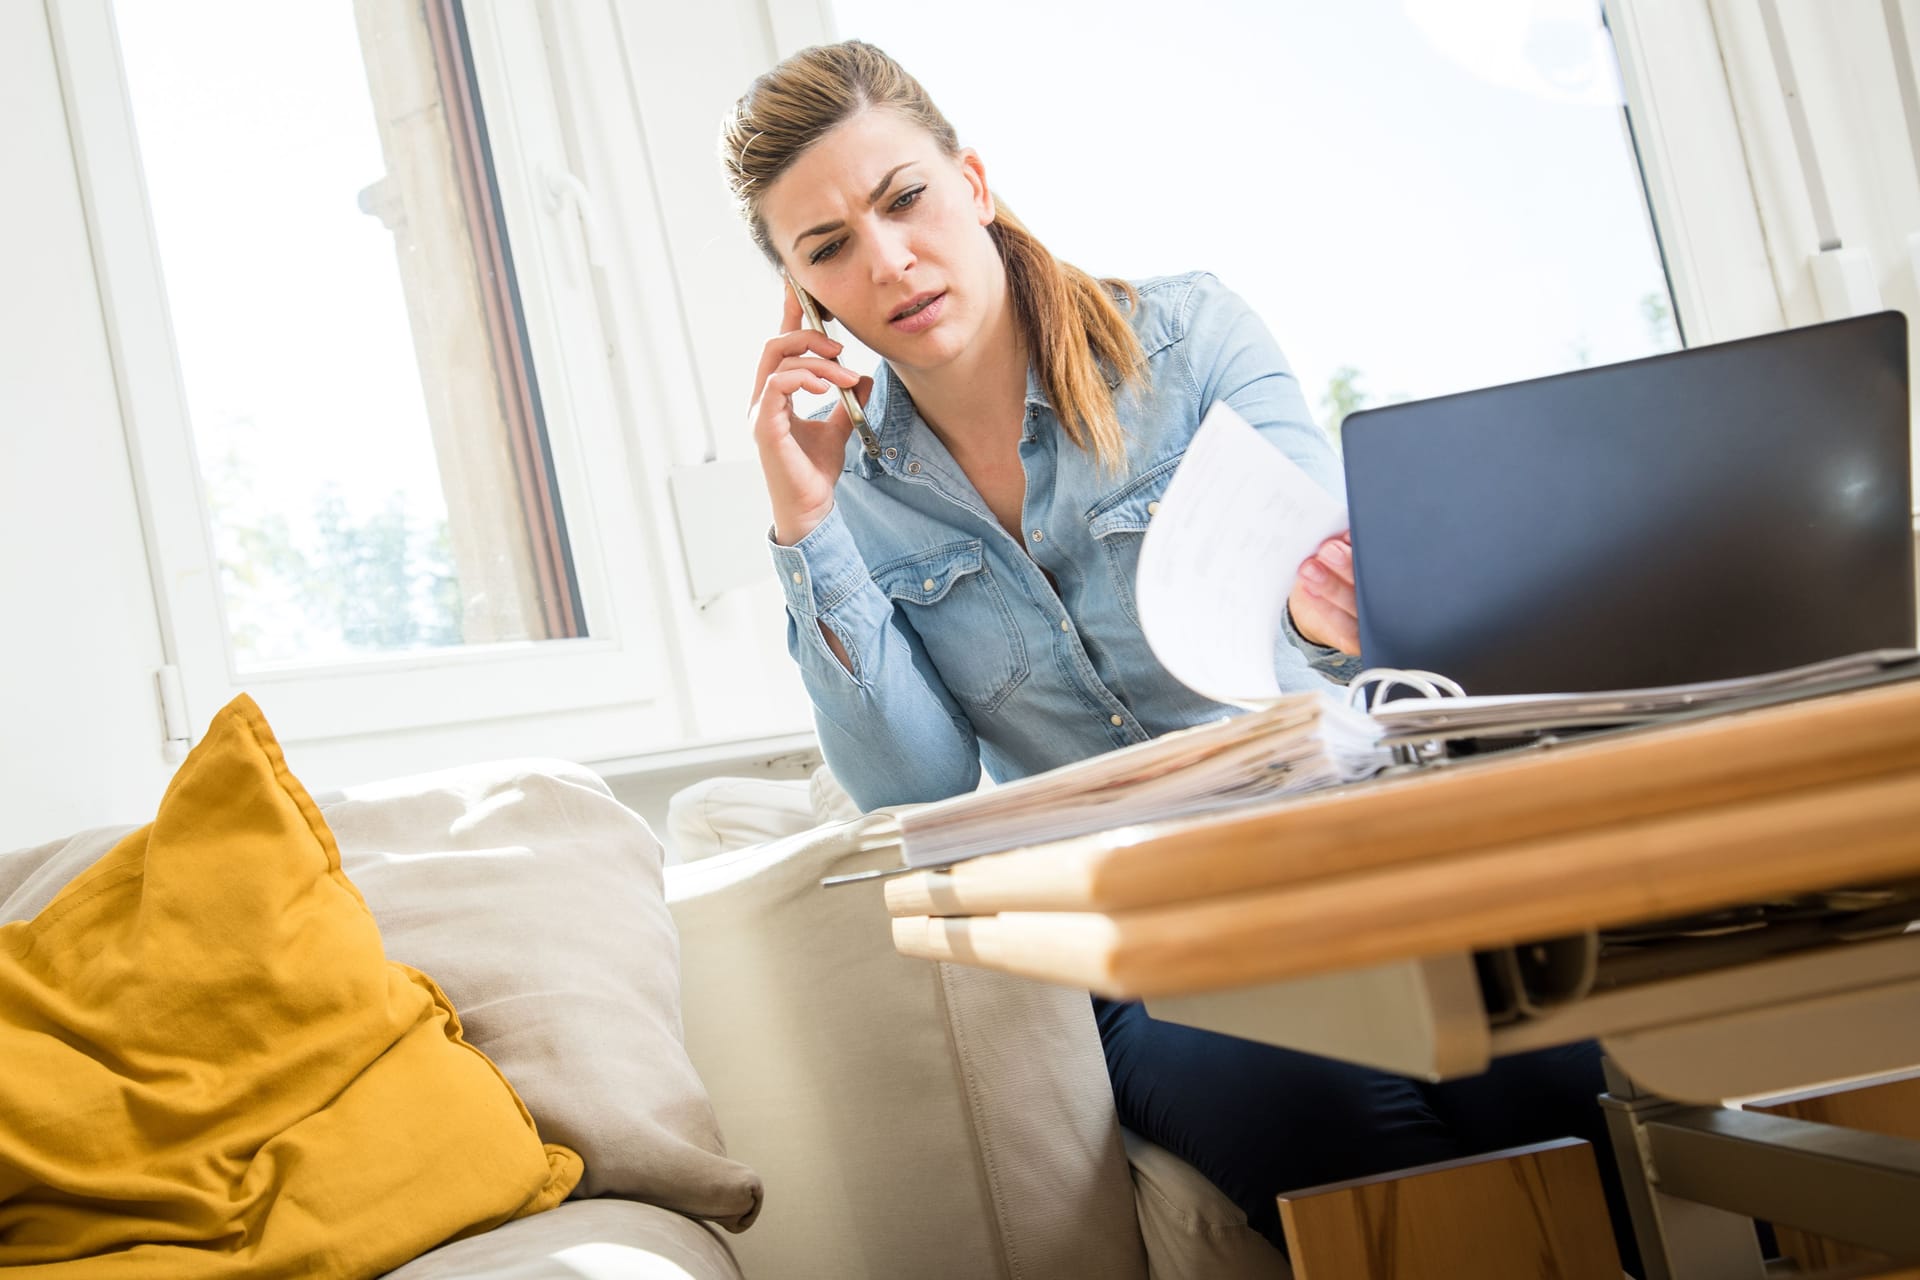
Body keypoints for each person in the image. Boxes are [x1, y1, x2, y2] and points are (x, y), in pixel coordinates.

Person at [719, 39, 1637, 1270]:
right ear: (803, 296)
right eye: (826, 247)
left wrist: (1335, 606)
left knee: (1535, 1061)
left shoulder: (1190, 337)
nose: (885, 260)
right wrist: (808, 525)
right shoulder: (854, 495)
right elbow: (913, 788)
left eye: (904, 199)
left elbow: (1327, 582)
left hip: (1354, 857)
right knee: (1329, 1111)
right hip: (1149, 947)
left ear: (974, 184)